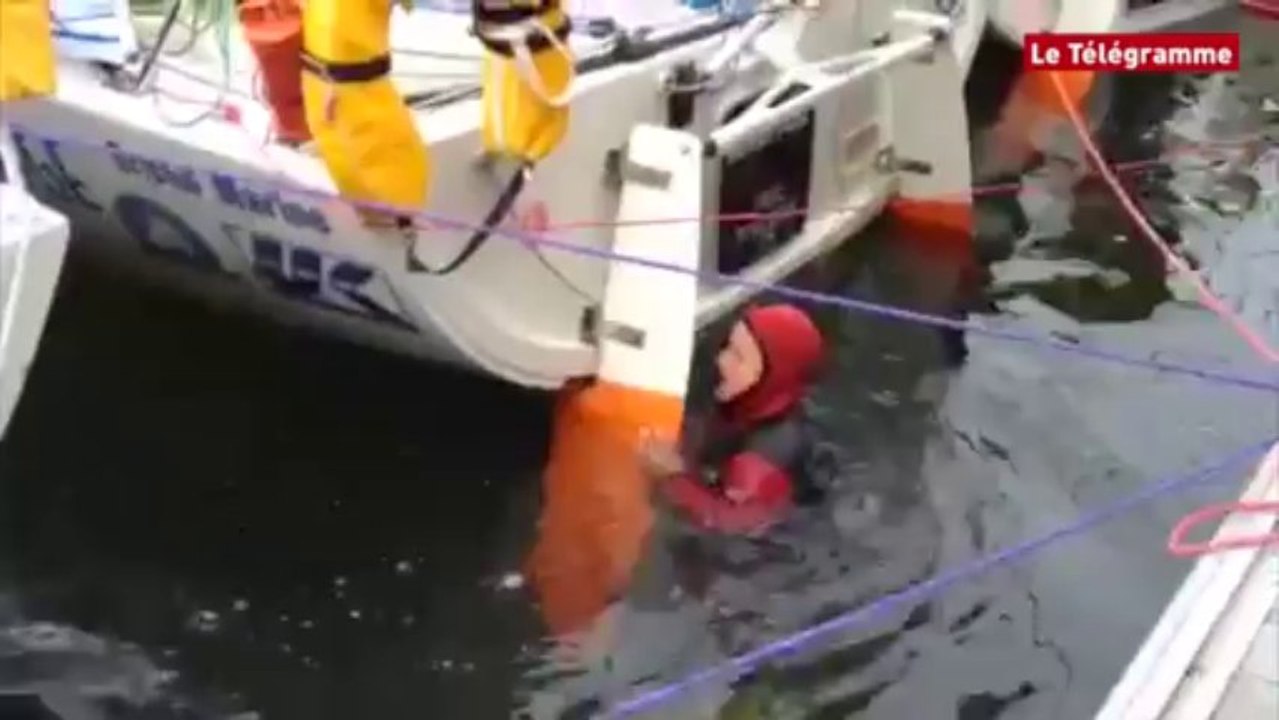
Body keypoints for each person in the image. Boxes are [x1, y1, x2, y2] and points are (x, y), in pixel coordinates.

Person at [638, 302, 827, 535]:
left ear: (772, 376)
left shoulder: (765, 454)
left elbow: (730, 523)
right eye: (728, 346)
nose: (722, 360)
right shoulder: (747, 400)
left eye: (738, 357)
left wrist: (671, 478)